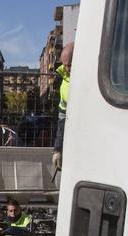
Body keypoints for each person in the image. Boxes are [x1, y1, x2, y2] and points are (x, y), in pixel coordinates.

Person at [52, 42, 74, 173]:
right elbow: (62, 119)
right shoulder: (64, 82)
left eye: (70, 65)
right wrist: (57, 149)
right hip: (72, 137)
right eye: (64, 64)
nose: (66, 68)